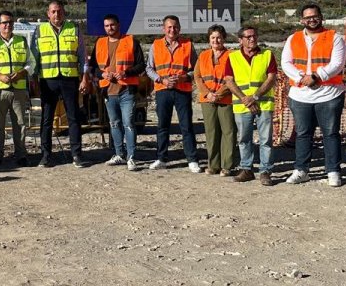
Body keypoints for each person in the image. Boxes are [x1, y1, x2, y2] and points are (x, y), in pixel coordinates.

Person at [282, 3, 346, 187]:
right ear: (302, 20)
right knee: (302, 134)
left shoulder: (335, 38)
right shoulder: (293, 39)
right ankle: (301, 170)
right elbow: (286, 63)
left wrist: (317, 76)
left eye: (315, 16)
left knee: (331, 134)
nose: (311, 19)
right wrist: (301, 78)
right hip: (301, 95)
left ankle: (333, 171)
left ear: (321, 17)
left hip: (329, 95)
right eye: (307, 17)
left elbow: (337, 63)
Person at [30, 0, 91, 168]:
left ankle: (76, 155)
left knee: (73, 118)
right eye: (53, 11)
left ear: (64, 12)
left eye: (60, 11)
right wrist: (33, 78)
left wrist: (85, 77)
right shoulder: (40, 31)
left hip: (69, 79)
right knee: (46, 119)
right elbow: (34, 58)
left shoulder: (74, 29)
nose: (57, 14)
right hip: (48, 80)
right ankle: (46, 156)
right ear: (48, 14)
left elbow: (82, 57)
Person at [223, 25, 278, 186]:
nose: (252, 39)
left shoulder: (267, 55)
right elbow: (229, 80)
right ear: (240, 40)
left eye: (254, 36)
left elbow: (271, 78)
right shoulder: (233, 57)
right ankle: (247, 169)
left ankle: (265, 171)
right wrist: (244, 99)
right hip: (242, 106)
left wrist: (254, 97)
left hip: (263, 104)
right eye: (248, 37)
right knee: (244, 139)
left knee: (265, 140)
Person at [146, 15, 201, 173]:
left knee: (186, 126)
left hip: (182, 90)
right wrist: (161, 80)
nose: (172, 30)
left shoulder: (188, 45)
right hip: (163, 90)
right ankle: (161, 158)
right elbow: (149, 68)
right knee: (162, 126)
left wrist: (185, 77)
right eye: (169, 27)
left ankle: (192, 160)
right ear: (164, 29)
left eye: (175, 27)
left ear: (179, 28)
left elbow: (196, 69)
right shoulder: (156, 45)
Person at [93, 13, 147, 171]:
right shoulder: (100, 42)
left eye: (112, 25)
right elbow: (93, 67)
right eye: (107, 26)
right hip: (108, 91)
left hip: (126, 90)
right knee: (114, 124)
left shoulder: (131, 41)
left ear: (118, 25)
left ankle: (131, 157)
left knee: (129, 124)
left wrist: (126, 73)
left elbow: (141, 65)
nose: (110, 28)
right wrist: (102, 74)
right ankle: (119, 154)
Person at [0, 10, 33, 167]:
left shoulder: (22, 41)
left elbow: (31, 63)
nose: (8, 25)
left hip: (18, 89)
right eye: (4, 23)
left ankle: (21, 155)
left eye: (10, 22)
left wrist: (22, 73)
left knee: (20, 124)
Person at [194, 25, 238, 177]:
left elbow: (233, 78)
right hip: (208, 100)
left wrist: (219, 93)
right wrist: (207, 94)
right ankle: (213, 165)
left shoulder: (231, 55)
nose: (216, 40)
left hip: (225, 99)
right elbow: (198, 77)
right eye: (213, 37)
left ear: (224, 38)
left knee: (228, 132)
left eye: (219, 37)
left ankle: (227, 165)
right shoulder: (203, 56)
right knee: (211, 132)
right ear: (209, 39)